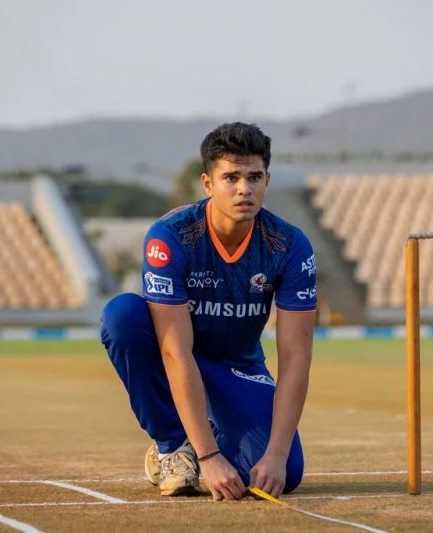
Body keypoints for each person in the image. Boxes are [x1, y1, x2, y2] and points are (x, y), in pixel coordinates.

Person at [100, 122, 317, 501]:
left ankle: (206, 431)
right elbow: (173, 350)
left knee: (282, 473)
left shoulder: (289, 245)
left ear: (268, 179)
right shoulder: (172, 235)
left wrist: (278, 454)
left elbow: (297, 356)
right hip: (180, 355)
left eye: (254, 177)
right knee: (123, 316)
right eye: (230, 177)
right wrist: (209, 456)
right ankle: (172, 445)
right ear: (207, 183)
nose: (244, 189)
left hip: (238, 367)